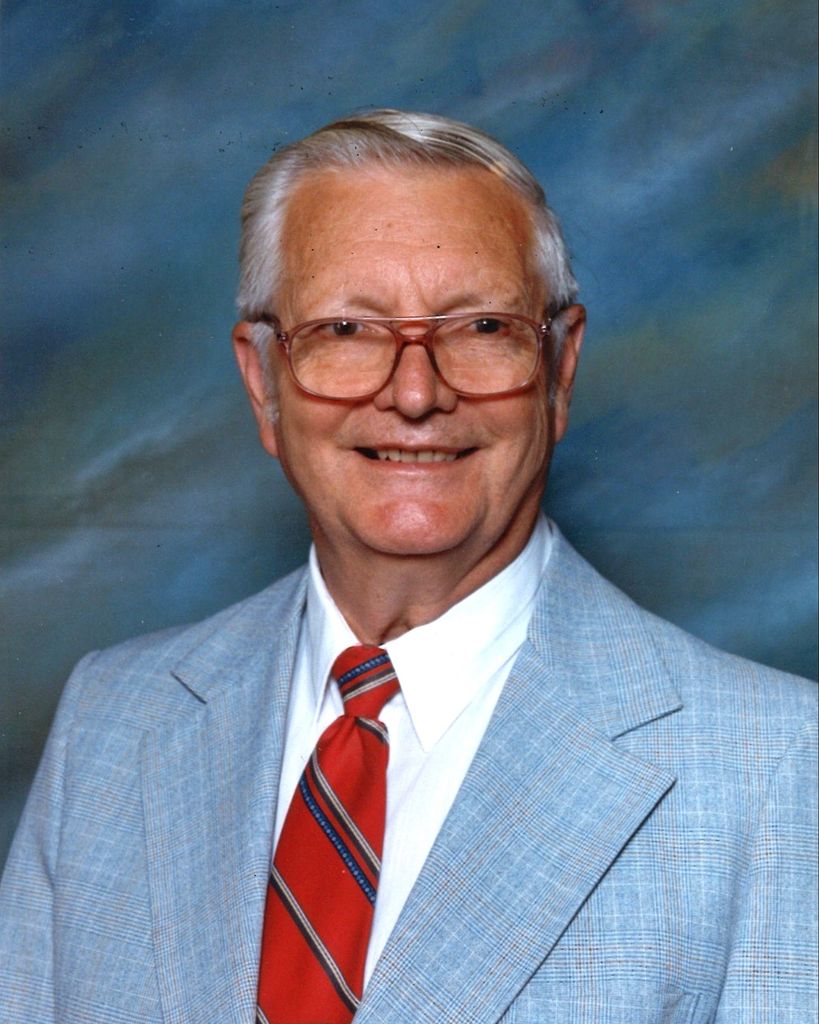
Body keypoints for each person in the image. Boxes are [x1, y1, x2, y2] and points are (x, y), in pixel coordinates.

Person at [0, 109, 816, 1024]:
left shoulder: (773, 768)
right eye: (347, 328)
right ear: (263, 385)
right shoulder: (112, 723)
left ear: (558, 371)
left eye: (481, 326)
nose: (417, 393)